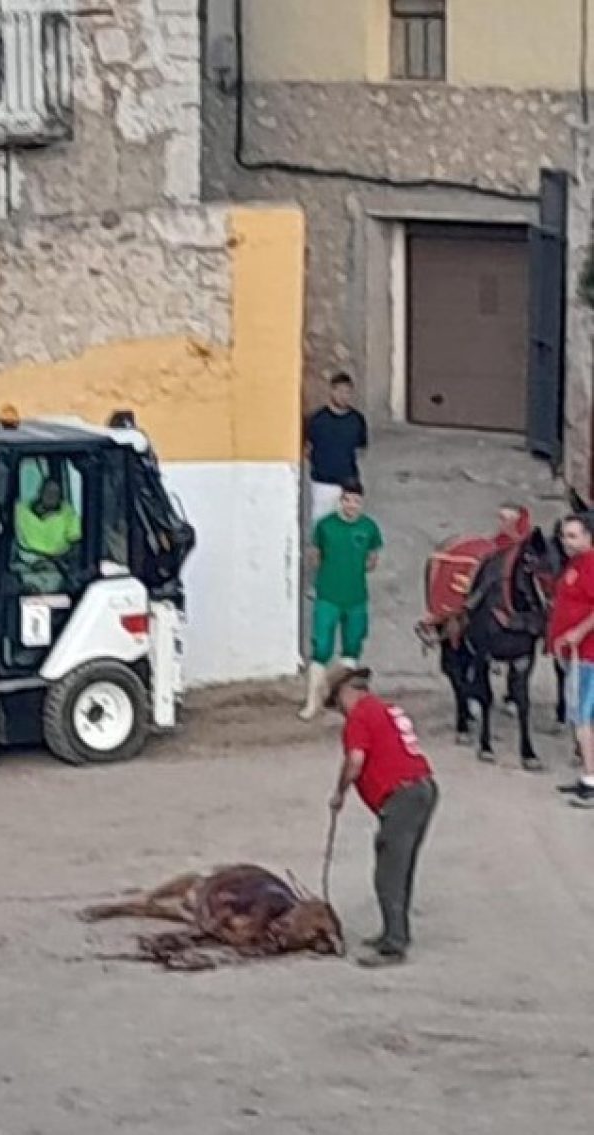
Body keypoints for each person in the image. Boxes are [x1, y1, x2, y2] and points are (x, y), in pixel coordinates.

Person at [325, 664, 439, 967]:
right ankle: (395, 931)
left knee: (388, 871)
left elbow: (356, 760)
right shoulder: (386, 710)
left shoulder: (359, 717)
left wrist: (340, 793)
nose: (340, 711)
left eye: (337, 703)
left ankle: (394, 943)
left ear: (346, 693)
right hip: (423, 788)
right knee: (401, 865)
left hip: (401, 796)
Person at [300, 479, 383, 720]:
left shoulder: (369, 528)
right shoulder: (325, 526)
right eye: (348, 500)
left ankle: (340, 697)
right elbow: (315, 557)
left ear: (362, 503)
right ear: (341, 500)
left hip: (356, 598)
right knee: (322, 647)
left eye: (357, 501)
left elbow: (372, 561)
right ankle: (312, 702)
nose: (352, 506)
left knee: (352, 648)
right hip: (328, 596)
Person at [550, 514, 594, 807]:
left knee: (582, 717)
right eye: (565, 536)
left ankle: (591, 781)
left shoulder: (591, 565)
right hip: (573, 653)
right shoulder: (576, 563)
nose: (567, 542)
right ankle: (587, 774)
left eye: (573, 536)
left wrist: (577, 632)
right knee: (582, 716)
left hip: (588, 654)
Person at [304, 373, 369, 528]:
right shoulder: (316, 420)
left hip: (349, 483)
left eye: (347, 392)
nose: (344, 396)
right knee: (321, 524)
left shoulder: (357, 420)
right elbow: (306, 447)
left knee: (348, 525)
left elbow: (361, 449)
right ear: (332, 391)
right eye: (340, 391)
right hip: (322, 481)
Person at [14, 478, 82, 593]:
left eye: (55, 493)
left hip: (55, 567)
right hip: (24, 564)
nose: (51, 496)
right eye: (48, 491)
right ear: (40, 492)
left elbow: (76, 543)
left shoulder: (68, 514)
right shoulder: (21, 510)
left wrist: (56, 561)